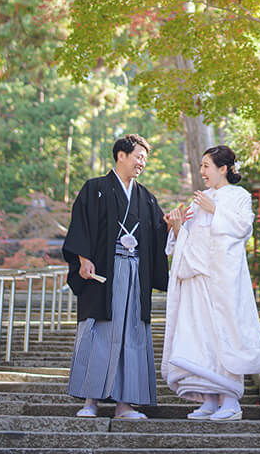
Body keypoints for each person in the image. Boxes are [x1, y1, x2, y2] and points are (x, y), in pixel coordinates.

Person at [63, 133, 168, 419]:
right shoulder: (94, 188)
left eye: (145, 159)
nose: (142, 163)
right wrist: (83, 259)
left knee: (133, 333)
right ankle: (90, 402)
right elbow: (81, 225)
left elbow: (160, 234)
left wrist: (173, 225)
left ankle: (125, 404)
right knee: (98, 332)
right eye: (138, 157)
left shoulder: (146, 198)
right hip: (104, 275)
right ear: (121, 155)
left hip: (135, 273)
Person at [161, 144, 260, 421]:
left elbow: (243, 229)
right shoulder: (201, 198)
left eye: (206, 166)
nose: (202, 172)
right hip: (198, 277)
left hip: (224, 279)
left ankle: (231, 401)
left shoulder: (239, 196)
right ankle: (209, 398)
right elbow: (193, 237)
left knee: (225, 335)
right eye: (201, 167)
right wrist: (176, 228)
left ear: (223, 168)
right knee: (201, 337)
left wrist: (215, 210)